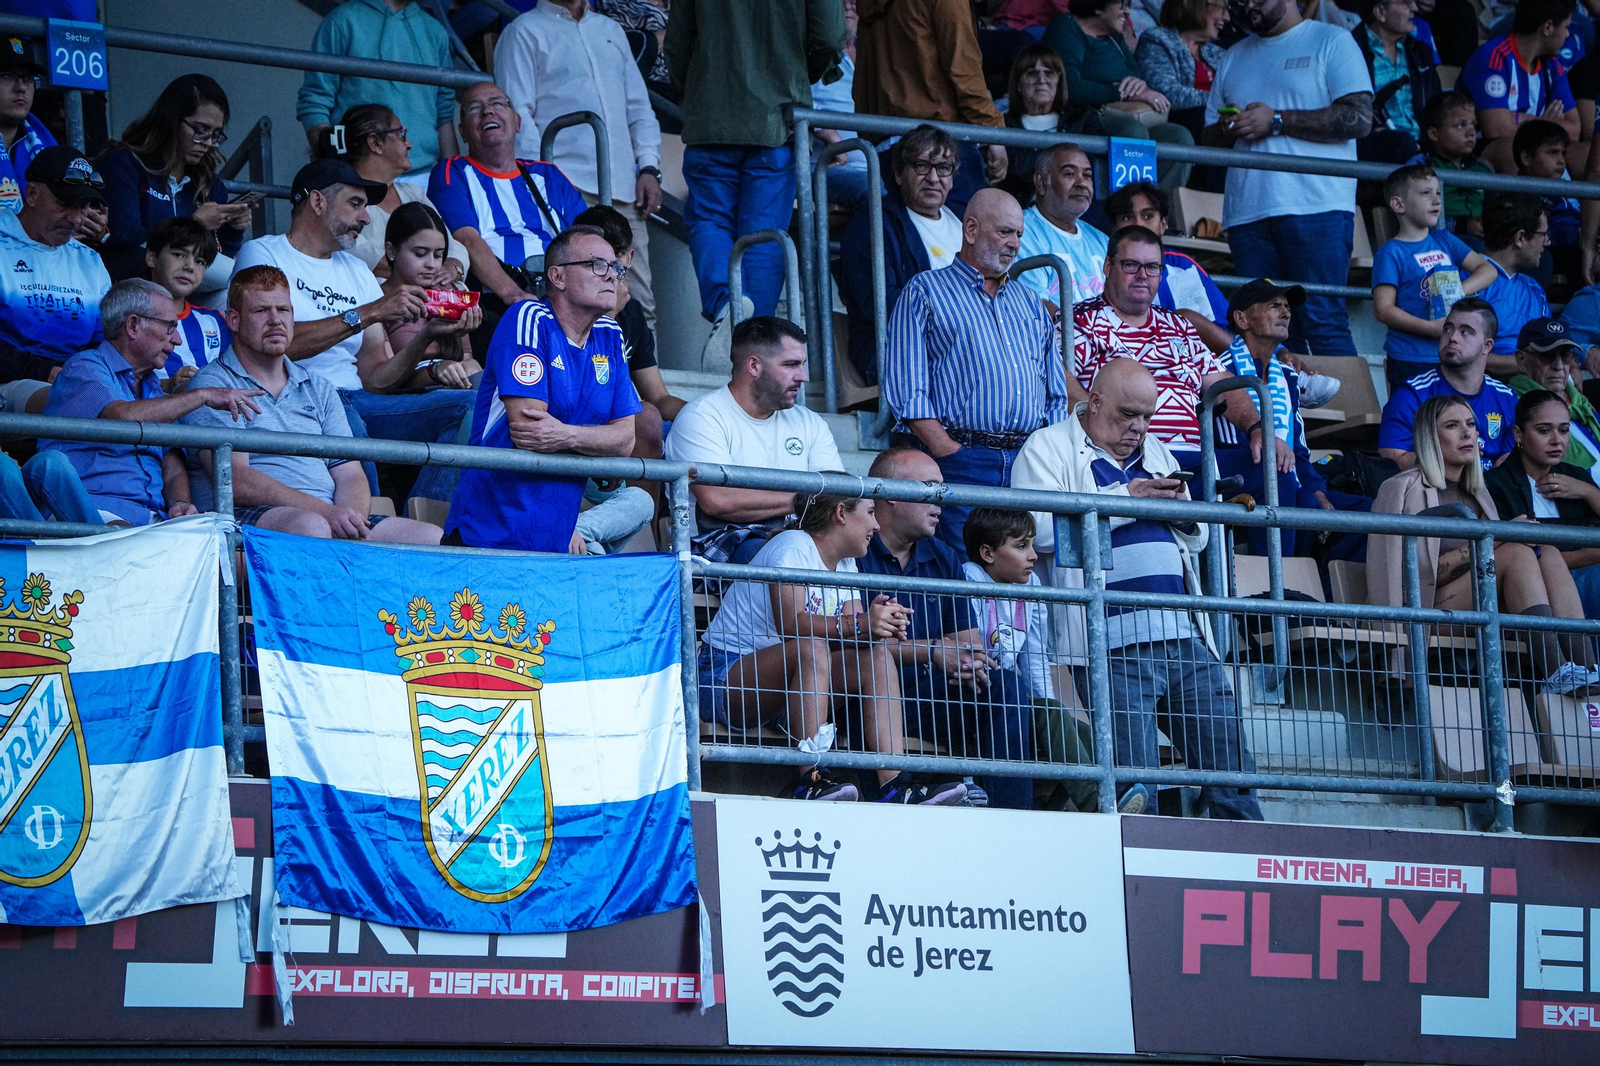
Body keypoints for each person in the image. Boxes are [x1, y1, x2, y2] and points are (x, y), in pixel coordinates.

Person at [1011, 357, 1264, 820]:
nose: (1139, 427)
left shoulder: (1158, 451)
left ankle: (1246, 874)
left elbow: (1199, 537)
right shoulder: (1047, 447)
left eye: (1148, 416)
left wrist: (1187, 516)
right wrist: (1129, 500)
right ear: (1096, 400)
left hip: (1184, 634)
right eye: (1128, 414)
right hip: (1110, 644)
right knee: (1134, 790)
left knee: (1233, 776)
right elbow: (1037, 531)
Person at [699, 485, 968, 805]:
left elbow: (853, 637)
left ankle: (896, 784)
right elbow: (791, 624)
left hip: (793, 691)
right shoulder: (793, 546)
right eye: (870, 513)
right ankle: (812, 779)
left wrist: (880, 625)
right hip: (727, 679)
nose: (877, 525)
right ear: (841, 513)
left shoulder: (845, 563)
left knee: (875, 656)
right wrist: (860, 624)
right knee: (810, 646)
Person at [233, 158, 476, 505]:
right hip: (301, 402)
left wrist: (427, 335)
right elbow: (269, 345)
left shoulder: (356, 269)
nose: (365, 217)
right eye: (356, 204)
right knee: (349, 426)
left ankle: (422, 515)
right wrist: (369, 312)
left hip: (360, 400)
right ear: (317, 202)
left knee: (471, 406)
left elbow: (375, 378)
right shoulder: (264, 254)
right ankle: (367, 530)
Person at [856, 448, 1073, 811]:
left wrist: (968, 661)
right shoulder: (854, 550)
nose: (941, 499)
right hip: (868, 701)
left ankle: (1011, 816)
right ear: (890, 493)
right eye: (929, 487)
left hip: (932, 697)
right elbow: (846, 643)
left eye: (943, 488)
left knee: (1002, 682)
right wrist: (935, 651)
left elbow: (968, 644)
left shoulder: (943, 556)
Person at [183, 266, 443, 544]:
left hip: (325, 517)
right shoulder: (214, 385)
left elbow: (350, 473)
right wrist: (326, 513)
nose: (275, 321)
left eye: (283, 310)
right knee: (311, 528)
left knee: (429, 537)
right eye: (261, 311)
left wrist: (348, 522)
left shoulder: (318, 387)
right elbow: (236, 480)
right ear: (233, 320)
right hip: (246, 516)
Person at [884, 188, 1072, 550]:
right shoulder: (925, 291)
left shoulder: (1032, 303)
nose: (1014, 243)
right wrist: (949, 450)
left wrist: (1044, 454)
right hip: (962, 460)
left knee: (1023, 579)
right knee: (966, 576)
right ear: (971, 230)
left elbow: (1055, 392)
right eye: (1004, 232)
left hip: (1028, 463)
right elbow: (907, 391)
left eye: (1018, 234)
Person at [1370, 393, 1598, 692]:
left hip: (1483, 608)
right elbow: (1401, 577)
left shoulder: (1479, 493)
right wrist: (1500, 537)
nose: (1467, 433)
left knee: (1549, 552)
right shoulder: (1400, 487)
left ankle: (1587, 667)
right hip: (1423, 612)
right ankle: (1556, 672)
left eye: (1471, 424)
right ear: (1429, 436)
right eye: (1452, 425)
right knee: (1515, 551)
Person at [444, 226, 641, 553]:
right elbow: (531, 432)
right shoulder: (528, 318)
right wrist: (595, 440)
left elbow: (625, 440)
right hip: (489, 535)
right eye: (598, 265)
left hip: (555, 543)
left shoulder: (610, 334)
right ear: (558, 277)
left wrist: (566, 435)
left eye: (616, 268)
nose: (612, 277)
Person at [667, 0, 846, 351]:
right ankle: (755, 337)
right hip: (777, 119)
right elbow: (828, 37)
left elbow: (676, 43)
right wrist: (794, 74)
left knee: (709, 221)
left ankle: (725, 307)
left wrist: (694, 94)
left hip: (710, 117)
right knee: (764, 235)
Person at [1203, 0, 1374, 356]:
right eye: (1240, 1)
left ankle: (1356, 414)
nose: (1248, 6)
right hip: (1248, 212)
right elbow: (1207, 138)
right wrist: (1228, 127)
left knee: (1323, 322)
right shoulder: (1232, 55)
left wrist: (1277, 120)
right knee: (1265, 333)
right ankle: (1283, 413)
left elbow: (1359, 119)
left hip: (1318, 206)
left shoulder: (1332, 40)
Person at [38, 279, 266, 526]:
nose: (177, 339)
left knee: (226, 545)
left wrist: (179, 502)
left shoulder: (153, 386)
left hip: (153, 520)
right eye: (170, 326)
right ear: (133, 325)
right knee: (131, 543)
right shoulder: (85, 366)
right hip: (92, 509)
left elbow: (171, 462)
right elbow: (122, 418)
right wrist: (201, 395)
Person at [495, 0, 664, 325]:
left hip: (624, 189)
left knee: (637, 305)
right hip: (564, 191)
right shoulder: (523, 31)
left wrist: (648, 167)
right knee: (574, 299)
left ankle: (639, 378)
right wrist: (544, 184)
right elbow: (519, 117)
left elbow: (639, 108)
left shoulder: (610, 29)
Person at [1071, 226, 1267, 471]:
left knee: (1273, 466)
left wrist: (1257, 428)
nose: (1143, 275)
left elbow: (1224, 386)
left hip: (1195, 458)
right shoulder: (1080, 321)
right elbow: (1061, 380)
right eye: (1131, 265)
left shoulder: (1178, 325)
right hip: (1125, 457)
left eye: (1152, 267)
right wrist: (1097, 432)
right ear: (1108, 267)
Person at [664, 316, 843, 559]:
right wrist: (806, 499)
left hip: (799, 545)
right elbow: (718, 501)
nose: (803, 376)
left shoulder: (810, 422)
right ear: (754, 366)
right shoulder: (701, 417)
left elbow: (836, 493)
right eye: (790, 364)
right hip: (720, 553)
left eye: (802, 364)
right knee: (788, 554)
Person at [1215, 279, 1371, 556]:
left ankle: (1322, 588)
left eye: (1287, 307)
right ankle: (1280, 582)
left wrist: (1316, 489)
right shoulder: (1218, 369)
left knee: (1368, 512)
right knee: (1298, 498)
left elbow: (1298, 450)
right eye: (1274, 306)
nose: (1286, 313)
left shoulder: (1287, 376)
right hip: (1239, 478)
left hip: (1287, 478)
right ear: (1241, 318)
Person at [961, 505, 1091, 812]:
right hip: (975, 695)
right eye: (1021, 546)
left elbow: (1034, 656)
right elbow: (972, 650)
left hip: (1013, 697)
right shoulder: (970, 578)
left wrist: (1047, 707)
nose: (1033, 555)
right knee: (1048, 715)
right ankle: (1098, 801)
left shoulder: (1030, 585)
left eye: (1032, 544)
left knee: (1081, 731)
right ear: (987, 553)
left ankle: (1116, 793)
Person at [427, 82, 589, 326]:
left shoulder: (548, 175)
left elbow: (587, 238)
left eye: (497, 103)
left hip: (563, 294)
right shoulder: (452, 172)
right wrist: (513, 294)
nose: (487, 111)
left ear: (517, 122)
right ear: (462, 132)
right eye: (474, 108)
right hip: (497, 300)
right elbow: (466, 239)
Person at [96, 74, 253, 284]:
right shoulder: (125, 164)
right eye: (200, 130)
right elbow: (124, 237)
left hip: (188, 287)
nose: (207, 142)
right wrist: (194, 224)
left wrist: (234, 229)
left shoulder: (209, 184)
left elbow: (218, 256)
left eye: (216, 134)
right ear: (171, 121)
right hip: (131, 279)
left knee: (239, 289)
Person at [839, 125, 965, 383]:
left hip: (961, 348)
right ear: (898, 173)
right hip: (895, 352)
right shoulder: (873, 224)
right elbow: (884, 307)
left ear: (952, 178)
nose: (933, 178)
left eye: (943, 168)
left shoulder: (964, 225)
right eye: (921, 166)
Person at [854, 0, 1008, 204]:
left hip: (885, 146)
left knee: (906, 234)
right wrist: (992, 129)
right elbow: (964, 71)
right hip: (942, 145)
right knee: (964, 234)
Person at [298, 0, 459, 184]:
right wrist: (334, 172)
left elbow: (444, 112)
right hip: (358, 173)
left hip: (423, 176)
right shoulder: (342, 20)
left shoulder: (434, 30)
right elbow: (315, 102)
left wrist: (451, 181)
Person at [1043, 0, 1197, 190]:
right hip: (1083, 117)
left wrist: (1140, 88)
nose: (1127, 11)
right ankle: (1128, 209)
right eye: (1122, 4)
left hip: (1123, 114)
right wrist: (1119, 92)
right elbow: (1069, 87)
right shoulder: (1066, 28)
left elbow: (1136, 76)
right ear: (1099, 6)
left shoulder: (1115, 37)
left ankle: (1157, 211)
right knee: (1133, 133)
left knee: (1180, 137)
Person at [0, 147, 111, 410]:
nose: (75, 219)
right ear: (32, 194)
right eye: (63, 205)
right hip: (11, 382)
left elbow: (108, 341)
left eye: (83, 207)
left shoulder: (89, 260)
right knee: (78, 402)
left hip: (75, 383)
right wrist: (46, 371)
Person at [1371, 164, 1496, 390]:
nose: (1437, 200)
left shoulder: (1444, 239)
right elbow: (1383, 309)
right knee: (1416, 421)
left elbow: (1488, 270)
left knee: (1450, 420)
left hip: (1453, 354)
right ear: (1399, 204)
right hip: (1411, 356)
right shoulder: (1391, 252)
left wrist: (1458, 290)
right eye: (1425, 193)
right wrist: (1429, 328)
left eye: (1438, 192)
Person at [572, 204, 685, 453]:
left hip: (613, 425)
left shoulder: (632, 312)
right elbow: (579, 389)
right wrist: (609, 316)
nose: (610, 267)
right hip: (571, 424)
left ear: (630, 258)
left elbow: (659, 397)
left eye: (618, 254)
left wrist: (710, 414)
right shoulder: (565, 303)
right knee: (644, 418)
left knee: (658, 418)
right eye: (598, 258)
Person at [313, 104, 468, 283]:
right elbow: (369, 259)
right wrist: (433, 277)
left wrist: (452, 267)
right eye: (401, 134)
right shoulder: (341, 199)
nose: (408, 144)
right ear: (375, 144)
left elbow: (453, 246)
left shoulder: (414, 194)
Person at [1485, 387, 1600, 619]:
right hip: (1536, 588)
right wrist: (1591, 555)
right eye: (1544, 430)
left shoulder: (1576, 476)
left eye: (1564, 430)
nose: (1557, 440)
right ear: (1518, 434)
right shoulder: (1496, 484)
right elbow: (1521, 560)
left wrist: (1588, 491)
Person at [1379, 298, 1519, 469]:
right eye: (1447, 329)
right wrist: (1445, 459)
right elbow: (1391, 460)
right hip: (1432, 491)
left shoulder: (1506, 397)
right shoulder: (1412, 394)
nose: (1452, 337)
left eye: (1465, 332)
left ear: (1487, 346)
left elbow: (1511, 458)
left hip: (1491, 491)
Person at [1102, 181, 1231, 354]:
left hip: (1198, 363)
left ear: (1163, 224)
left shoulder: (1183, 266)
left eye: (1148, 216)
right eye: (1127, 217)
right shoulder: (1105, 264)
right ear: (1115, 227)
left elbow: (1222, 325)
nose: (1138, 224)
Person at [1460, 0, 1581, 173]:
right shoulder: (1493, 57)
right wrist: (1547, 126)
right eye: (1566, 27)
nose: (1568, 34)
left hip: (1537, 145)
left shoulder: (1553, 67)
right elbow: (1497, 129)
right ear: (1547, 28)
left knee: (1584, 154)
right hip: (1482, 150)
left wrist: (1519, 118)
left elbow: (1574, 130)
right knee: (1517, 153)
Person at [378, 202, 484, 391]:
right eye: (420, 254)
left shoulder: (449, 293)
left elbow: (466, 358)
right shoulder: (378, 300)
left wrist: (469, 366)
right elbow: (382, 383)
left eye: (438, 255)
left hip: (456, 393)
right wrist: (434, 371)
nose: (432, 265)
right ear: (391, 250)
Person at [999, 44, 1108, 208]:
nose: (1041, 80)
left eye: (1049, 73)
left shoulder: (1083, 117)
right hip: (1022, 210)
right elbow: (1016, 169)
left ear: (1059, 80)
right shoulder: (1003, 124)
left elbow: (1099, 164)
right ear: (1018, 84)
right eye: (1032, 74)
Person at [1014, 143, 1110, 312]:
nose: (1082, 183)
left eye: (1087, 175)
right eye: (1069, 174)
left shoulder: (1102, 240)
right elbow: (1037, 308)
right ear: (1041, 182)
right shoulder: (1018, 231)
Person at [1506, 318, 1600, 476]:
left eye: (1565, 356)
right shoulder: (1510, 403)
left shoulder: (1584, 406)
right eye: (1547, 356)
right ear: (1522, 360)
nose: (1558, 365)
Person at [144, 216, 230, 386]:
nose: (189, 266)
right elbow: (114, 382)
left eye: (199, 261)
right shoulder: (127, 318)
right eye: (179, 254)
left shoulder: (214, 320)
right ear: (152, 258)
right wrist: (168, 386)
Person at [1352, 0, 1442, 161]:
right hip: (1373, 146)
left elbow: (1436, 106)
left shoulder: (1421, 53)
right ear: (1380, 12)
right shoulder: (1350, 50)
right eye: (1406, 3)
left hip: (1423, 145)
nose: (1414, 9)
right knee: (1402, 143)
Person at [810, 0, 873, 215]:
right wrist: (832, 138)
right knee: (875, 192)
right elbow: (795, 102)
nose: (848, 5)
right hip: (829, 167)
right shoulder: (816, 54)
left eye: (855, 1)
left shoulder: (873, 56)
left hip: (875, 164)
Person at [1134, 0, 1229, 137]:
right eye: (1221, 8)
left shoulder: (1220, 54)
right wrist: (1220, 102)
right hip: (1182, 125)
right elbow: (1167, 93)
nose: (1226, 17)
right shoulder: (1157, 39)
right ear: (1196, 5)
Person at [1481, 193, 1553, 367]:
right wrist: (1530, 364)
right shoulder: (1468, 283)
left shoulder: (1534, 288)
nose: (1548, 242)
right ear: (1520, 238)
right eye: (1543, 234)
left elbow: (1551, 342)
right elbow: (1464, 355)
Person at [1414, 90, 1494, 243]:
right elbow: (1415, 216)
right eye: (1460, 125)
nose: (1471, 132)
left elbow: (1496, 209)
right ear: (1434, 134)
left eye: (1473, 126)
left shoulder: (1483, 168)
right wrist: (1460, 226)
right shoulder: (1420, 165)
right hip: (1437, 242)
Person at [1512, 119, 1582, 289]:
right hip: (1556, 254)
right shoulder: (1518, 193)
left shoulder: (1569, 189)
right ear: (1527, 158)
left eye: (1563, 153)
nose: (1561, 161)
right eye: (1553, 153)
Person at [0, 34, 52, 215]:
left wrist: (101, 232)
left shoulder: (46, 144)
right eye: (8, 76)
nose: (21, 87)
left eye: (29, 79)